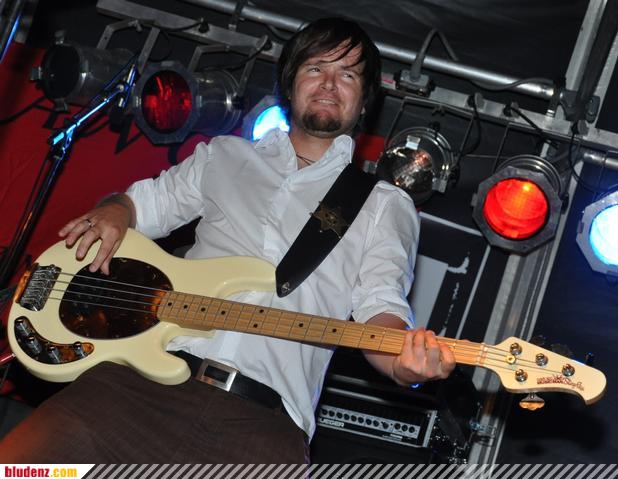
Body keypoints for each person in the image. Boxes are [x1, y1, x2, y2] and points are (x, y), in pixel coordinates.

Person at [0, 17, 455, 463]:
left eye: (348, 74)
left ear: (364, 100)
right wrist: (116, 209)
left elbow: (380, 306)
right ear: (291, 82)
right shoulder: (223, 155)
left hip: (263, 427)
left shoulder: (383, 204)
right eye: (316, 68)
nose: (329, 84)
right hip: (136, 384)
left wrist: (403, 364)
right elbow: (140, 206)